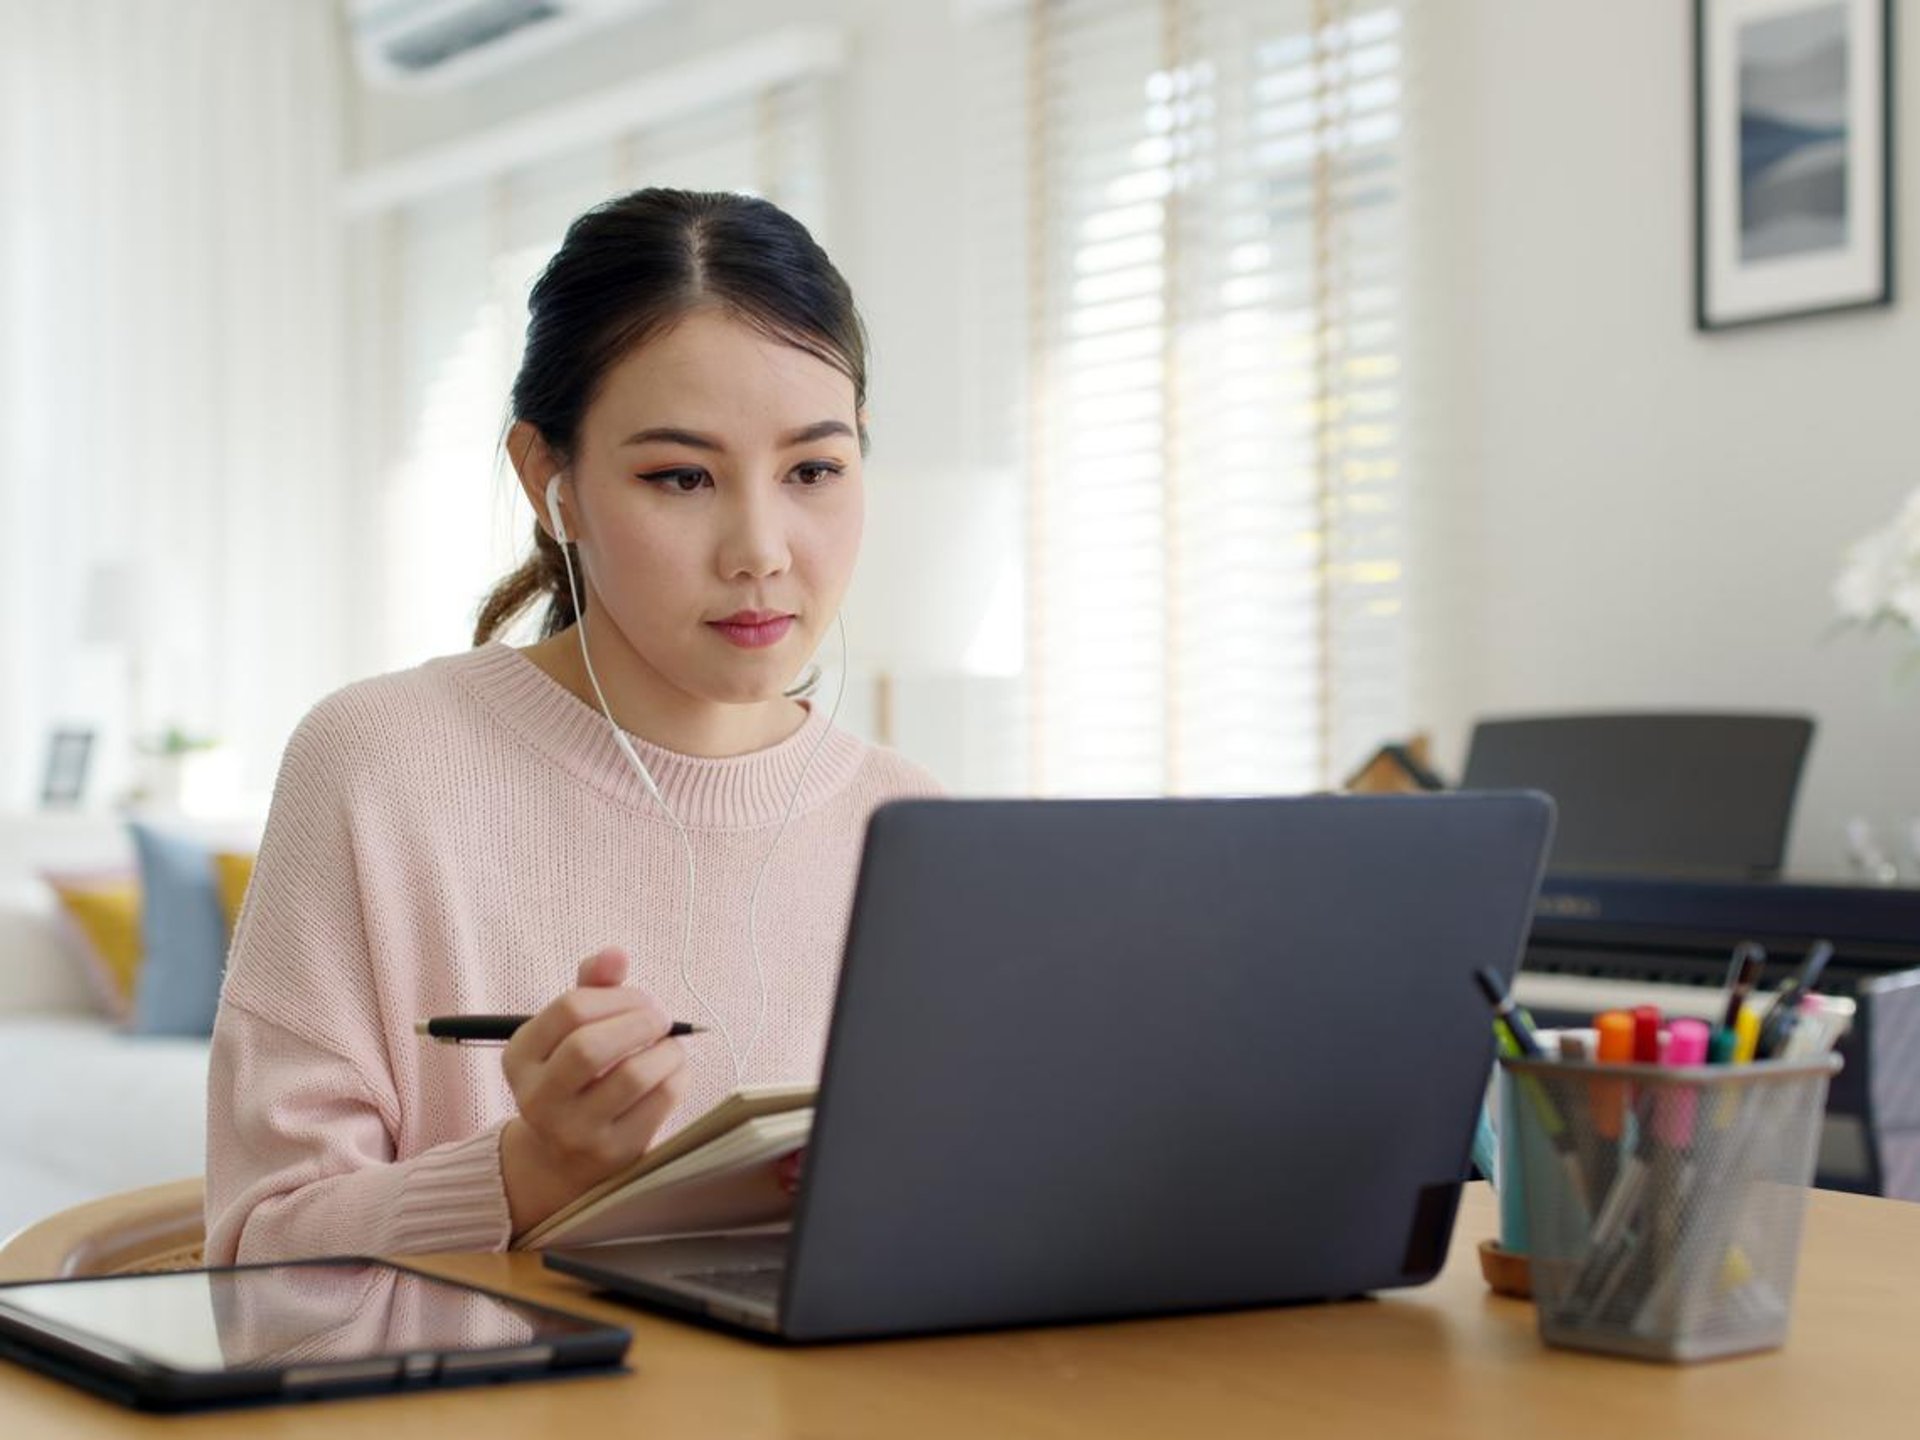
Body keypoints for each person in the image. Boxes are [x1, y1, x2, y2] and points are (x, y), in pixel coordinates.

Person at [205, 188, 942, 1264]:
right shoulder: (378, 765)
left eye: (813, 471)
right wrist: (532, 1175)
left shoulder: (908, 821)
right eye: (680, 476)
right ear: (551, 483)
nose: (760, 548)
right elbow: (253, 1266)